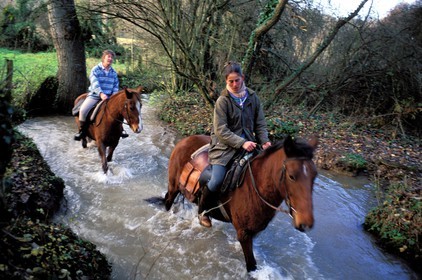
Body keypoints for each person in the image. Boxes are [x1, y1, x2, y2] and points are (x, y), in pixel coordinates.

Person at [198, 61, 272, 228]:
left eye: (237, 80)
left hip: (250, 144)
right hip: (224, 148)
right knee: (217, 180)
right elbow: (221, 130)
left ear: (242, 78)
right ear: (226, 81)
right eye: (230, 81)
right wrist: (242, 142)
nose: (234, 84)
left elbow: (260, 124)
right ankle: (203, 211)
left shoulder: (253, 98)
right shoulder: (222, 101)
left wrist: (265, 141)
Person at [74, 50, 128, 141]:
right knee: (83, 110)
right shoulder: (95, 69)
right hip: (95, 95)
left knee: (120, 110)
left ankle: (121, 130)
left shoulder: (113, 73)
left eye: (111, 57)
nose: (110, 59)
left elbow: (115, 85)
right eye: (108, 57)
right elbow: (94, 83)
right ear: (104, 58)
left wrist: (114, 96)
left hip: (110, 97)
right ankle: (82, 131)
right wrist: (101, 94)